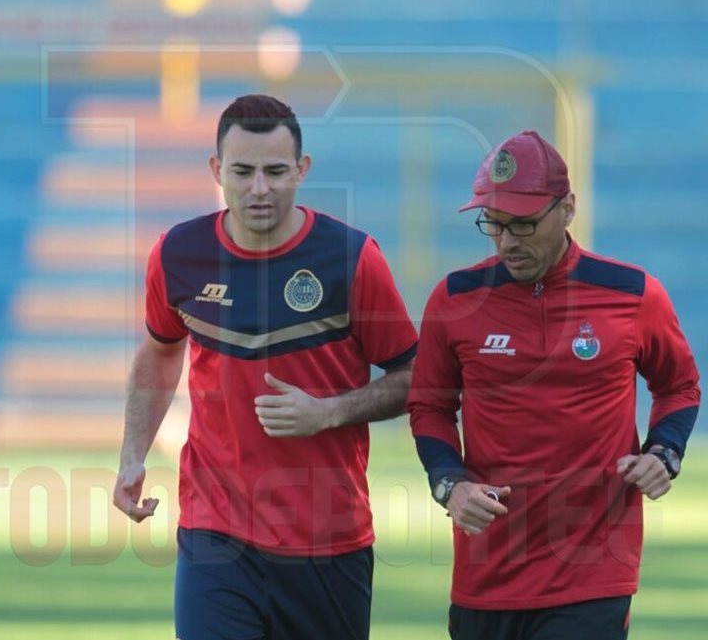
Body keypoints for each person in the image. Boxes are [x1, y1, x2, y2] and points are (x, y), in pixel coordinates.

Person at [112, 94, 417, 640]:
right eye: (243, 171)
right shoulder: (178, 254)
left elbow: (414, 377)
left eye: (276, 171)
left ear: (302, 170)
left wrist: (328, 412)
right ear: (216, 170)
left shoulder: (351, 258)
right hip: (216, 533)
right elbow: (160, 352)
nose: (259, 188)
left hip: (329, 540)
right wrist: (132, 454)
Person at [407, 130, 700, 640]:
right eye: (493, 224)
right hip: (486, 572)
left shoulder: (632, 294)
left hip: (593, 571)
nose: (506, 242)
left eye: (522, 224)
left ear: (567, 209)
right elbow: (429, 407)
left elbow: (679, 385)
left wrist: (664, 451)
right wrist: (449, 485)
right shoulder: (454, 299)